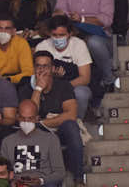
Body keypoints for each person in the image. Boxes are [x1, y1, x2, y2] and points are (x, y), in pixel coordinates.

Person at [18, 50, 83, 182]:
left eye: (46, 66)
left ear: (53, 68)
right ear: (33, 68)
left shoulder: (64, 86)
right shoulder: (25, 89)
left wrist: (43, 122)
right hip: (38, 133)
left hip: (59, 128)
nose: (42, 70)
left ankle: (79, 177)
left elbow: (71, 115)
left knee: (71, 126)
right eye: (38, 66)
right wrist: (38, 89)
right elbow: (30, 117)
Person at [0, 100, 66, 187]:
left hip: (43, 183)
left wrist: (41, 181)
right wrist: (12, 182)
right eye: (23, 118)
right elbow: (2, 171)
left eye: (30, 118)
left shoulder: (51, 139)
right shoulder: (7, 141)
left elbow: (60, 172)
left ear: (37, 118)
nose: (26, 121)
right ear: (17, 117)